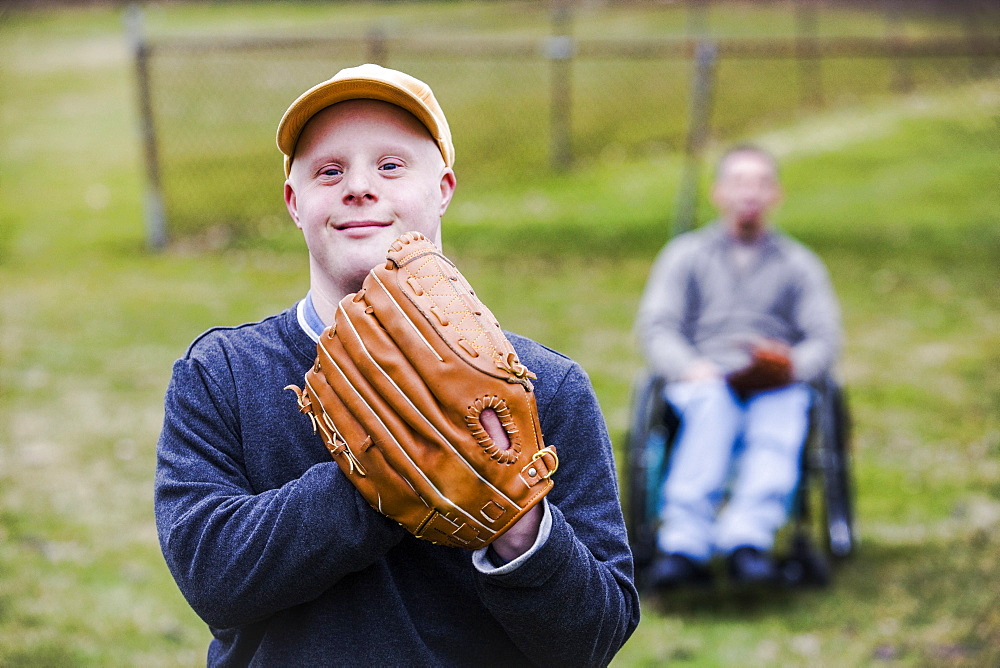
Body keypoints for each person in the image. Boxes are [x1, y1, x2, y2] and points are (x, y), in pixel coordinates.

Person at [154, 63, 639, 665]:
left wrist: (516, 521)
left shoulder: (540, 388)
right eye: (329, 171)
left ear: (443, 189)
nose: (359, 187)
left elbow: (593, 638)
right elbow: (213, 579)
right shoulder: (222, 373)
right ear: (294, 202)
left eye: (390, 166)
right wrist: (388, 465)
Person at [634, 144, 841, 587]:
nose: (750, 193)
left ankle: (748, 537)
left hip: (774, 381)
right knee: (712, 404)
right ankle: (684, 541)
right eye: (739, 183)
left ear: (776, 195)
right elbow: (658, 327)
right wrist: (690, 367)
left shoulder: (799, 265)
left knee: (782, 410)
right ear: (719, 193)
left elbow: (823, 340)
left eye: (761, 183)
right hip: (704, 376)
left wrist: (790, 367)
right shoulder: (685, 256)